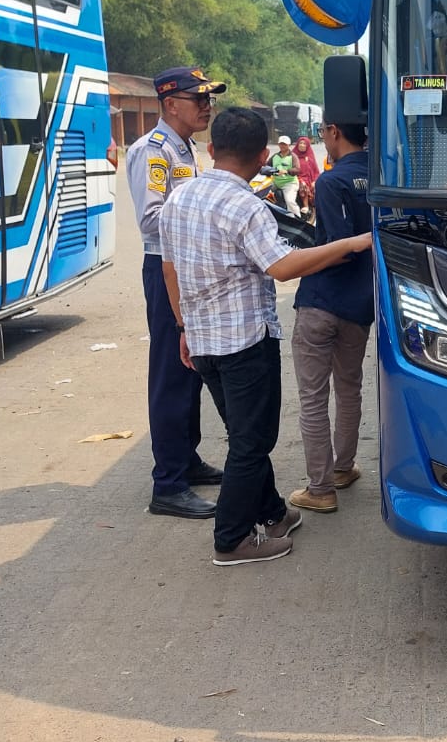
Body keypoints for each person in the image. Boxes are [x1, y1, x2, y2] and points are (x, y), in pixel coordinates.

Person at [159, 108, 373, 566]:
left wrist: (182, 326)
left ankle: (274, 513)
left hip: (202, 342)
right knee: (251, 442)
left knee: (243, 435)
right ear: (262, 156)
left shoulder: (177, 197)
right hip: (244, 343)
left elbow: (169, 267)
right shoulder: (248, 206)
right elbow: (281, 266)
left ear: (212, 149)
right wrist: (353, 244)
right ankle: (232, 539)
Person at [125, 66, 226, 520]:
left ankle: (186, 459)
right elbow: (151, 222)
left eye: (209, 99)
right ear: (171, 104)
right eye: (198, 98)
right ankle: (167, 483)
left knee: (192, 368)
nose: (207, 106)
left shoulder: (185, 147)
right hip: (166, 268)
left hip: (188, 265)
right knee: (171, 369)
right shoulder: (154, 151)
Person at [287, 117, 373, 515]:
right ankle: (342, 468)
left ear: (334, 131)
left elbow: (336, 247)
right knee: (349, 388)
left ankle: (320, 488)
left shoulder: (330, 181)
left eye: (323, 131)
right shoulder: (383, 176)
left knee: (313, 398)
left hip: (321, 303)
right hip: (360, 306)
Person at [268, 139, 302, 216]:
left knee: (290, 201)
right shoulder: (275, 156)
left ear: (289, 145)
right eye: (281, 144)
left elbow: (297, 169)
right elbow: (267, 165)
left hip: (289, 183)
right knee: (261, 192)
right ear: (278, 144)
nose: (282, 146)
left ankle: (297, 220)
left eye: (284, 144)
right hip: (276, 182)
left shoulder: (293, 156)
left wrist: (286, 171)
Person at [294, 135, 322, 215]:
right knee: (303, 184)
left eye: (304, 144)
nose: (302, 145)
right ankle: (305, 205)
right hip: (297, 178)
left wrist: (314, 181)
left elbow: (316, 171)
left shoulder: (310, 157)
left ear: (307, 146)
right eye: (300, 143)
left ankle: (311, 207)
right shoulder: (293, 156)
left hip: (309, 179)